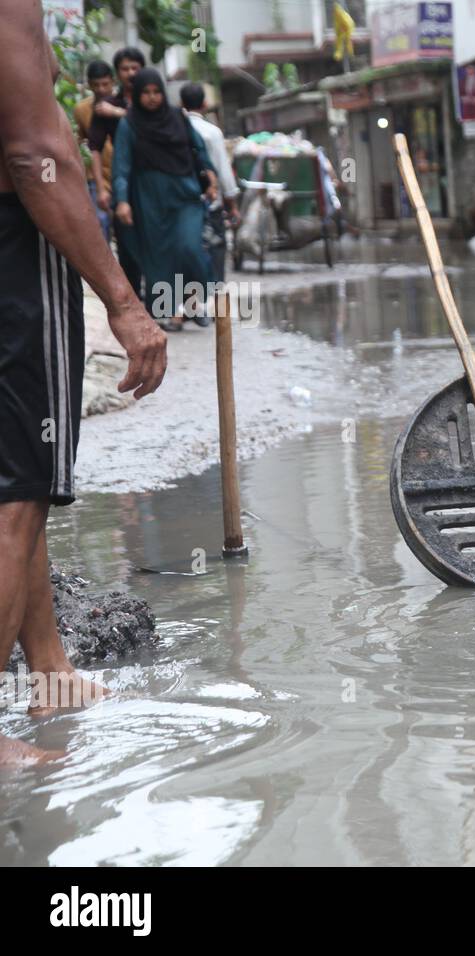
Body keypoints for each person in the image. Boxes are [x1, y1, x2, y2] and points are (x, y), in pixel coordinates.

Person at [0, 1, 166, 765]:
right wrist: (125, 304)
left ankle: (51, 672)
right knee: (18, 492)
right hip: (12, 247)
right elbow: (35, 150)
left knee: (13, 482)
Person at [112, 69, 219, 331]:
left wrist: (211, 177)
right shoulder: (129, 124)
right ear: (137, 95)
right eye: (146, 93)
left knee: (188, 247)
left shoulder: (177, 118)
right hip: (149, 198)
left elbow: (199, 149)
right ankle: (171, 312)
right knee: (159, 256)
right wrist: (122, 200)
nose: (151, 98)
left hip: (185, 193)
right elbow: (121, 166)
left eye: (156, 92)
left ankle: (195, 303)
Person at [88, 46, 146, 299]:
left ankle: (169, 304)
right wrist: (101, 188)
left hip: (157, 182)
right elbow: (95, 148)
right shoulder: (106, 107)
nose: (131, 73)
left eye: (135, 68)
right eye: (125, 68)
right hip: (124, 184)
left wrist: (120, 114)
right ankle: (135, 301)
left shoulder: (154, 100)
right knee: (127, 245)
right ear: (117, 74)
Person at [179, 82, 239, 284]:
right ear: (204, 104)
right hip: (211, 204)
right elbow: (223, 170)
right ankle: (217, 301)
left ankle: (191, 303)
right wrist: (232, 204)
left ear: (181, 104)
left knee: (187, 254)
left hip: (183, 205)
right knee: (216, 252)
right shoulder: (212, 132)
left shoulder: (175, 130)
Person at [72, 59, 114, 242]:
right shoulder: (82, 109)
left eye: (105, 84)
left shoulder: (123, 105)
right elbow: (80, 139)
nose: (101, 89)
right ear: (89, 85)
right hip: (95, 176)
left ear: (112, 82)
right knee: (100, 222)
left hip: (121, 173)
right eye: (96, 85)